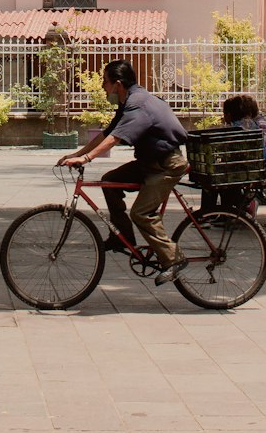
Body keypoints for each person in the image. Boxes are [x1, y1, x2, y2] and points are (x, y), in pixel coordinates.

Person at [58, 60, 189, 285]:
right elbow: (107, 133)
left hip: (167, 165)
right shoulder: (130, 101)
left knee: (142, 213)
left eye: (105, 82)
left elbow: (115, 138)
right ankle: (122, 237)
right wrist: (77, 154)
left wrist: (86, 158)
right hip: (150, 162)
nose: (102, 87)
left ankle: (173, 259)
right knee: (110, 182)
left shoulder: (138, 105)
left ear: (118, 84)